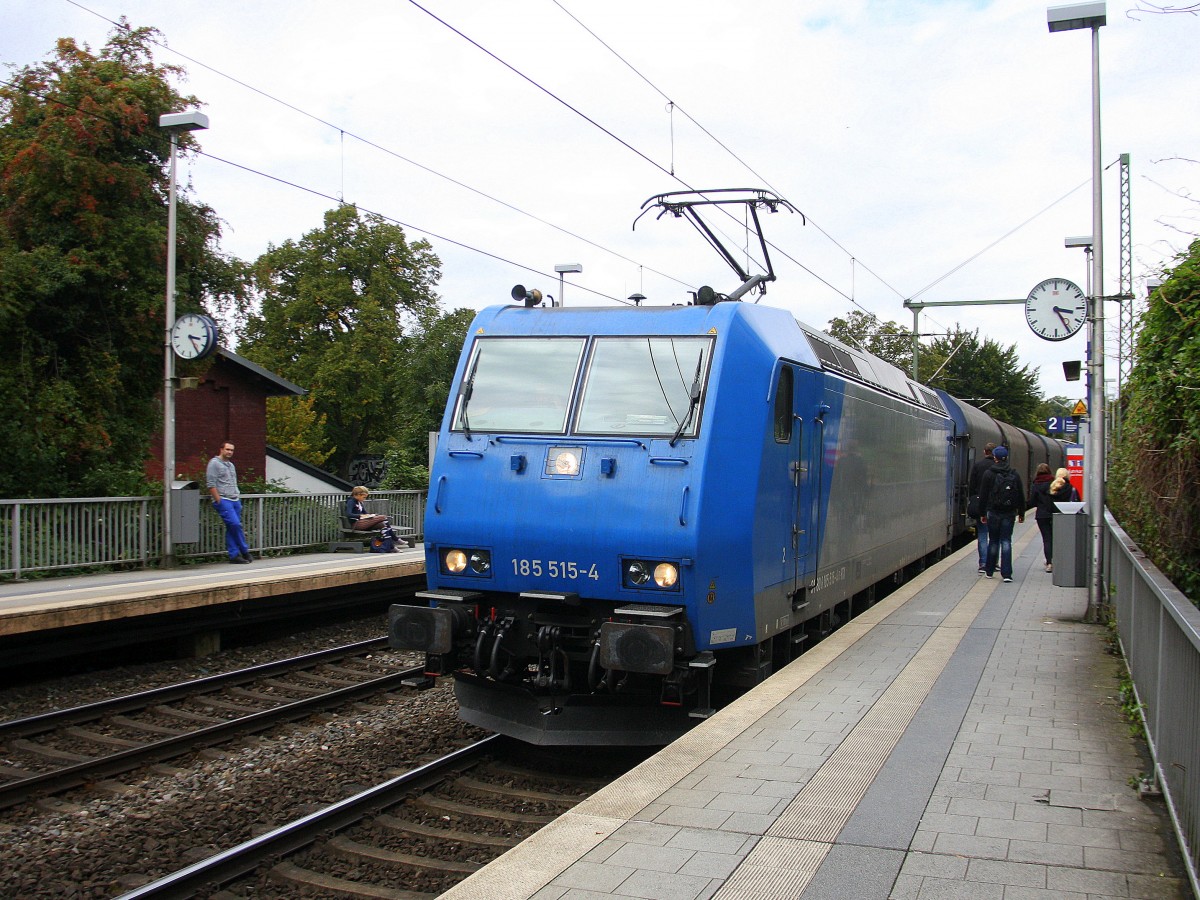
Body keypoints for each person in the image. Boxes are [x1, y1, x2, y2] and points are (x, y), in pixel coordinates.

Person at [978, 445, 1025, 583]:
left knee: (993, 541)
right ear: (1006, 457)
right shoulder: (1014, 474)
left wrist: (982, 513)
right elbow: (1020, 494)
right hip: (1009, 513)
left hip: (993, 512)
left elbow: (984, 495)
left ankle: (990, 570)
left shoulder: (989, 474)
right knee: (1006, 541)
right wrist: (1021, 512)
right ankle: (1007, 574)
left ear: (995, 458)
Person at [206, 440, 251, 564]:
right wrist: (218, 500)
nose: (230, 452)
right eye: (227, 449)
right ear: (221, 449)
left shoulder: (231, 465)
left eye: (232, 450)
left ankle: (234, 555)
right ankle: (244, 550)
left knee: (232, 527)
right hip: (223, 499)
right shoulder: (214, 463)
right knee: (236, 524)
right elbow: (211, 484)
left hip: (235, 499)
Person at [968, 442, 996, 574]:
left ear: (985, 452)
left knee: (983, 535)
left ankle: (983, 563)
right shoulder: (998, 467)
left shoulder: (978, 466)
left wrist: (973, 499)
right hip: (996, 506)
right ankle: (994, 562)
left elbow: (971, 486)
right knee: (995, 536)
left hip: (981, 505)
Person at [346, 486, 402, 552]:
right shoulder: (351, 502)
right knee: (383, 517)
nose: (364, 499)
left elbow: (365, 513)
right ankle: (395, 539)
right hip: (357, 524)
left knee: (382, 524)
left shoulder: (359, 502)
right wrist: (361, 516)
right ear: (358, 495)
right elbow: (349, 514)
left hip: (363, 522)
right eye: (364, 497)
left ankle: (391, 546)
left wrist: (370, 515)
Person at [1028, 463, 1056, 572]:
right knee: (1054, 538)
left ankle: (1049, 562)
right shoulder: (1053, 483)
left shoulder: (1036, 484)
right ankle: (1056, 559)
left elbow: (1032, 502)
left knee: (1046, 539)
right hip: (1053, 513)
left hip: (1041, 515)